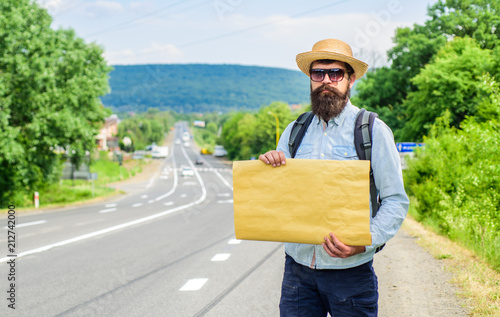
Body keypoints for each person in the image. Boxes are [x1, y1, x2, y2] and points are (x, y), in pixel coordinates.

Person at [259, 39, 409, 316]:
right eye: (318, 73)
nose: (326, 80)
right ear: (311, 79)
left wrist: (363, 242)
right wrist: (269, 167)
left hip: (350, 275)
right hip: (298, 272)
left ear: (350, 80)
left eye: (335, 73)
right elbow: (279, 197)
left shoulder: (372, 130)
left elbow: (395, 201)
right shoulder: (294, 131)